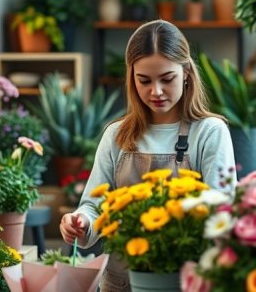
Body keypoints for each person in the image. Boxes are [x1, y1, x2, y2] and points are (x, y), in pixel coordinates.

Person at [59, 19, 236, 291]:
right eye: (144, 80)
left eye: (167, 79)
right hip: (121, 283)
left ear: (187, 72)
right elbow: (95, 205)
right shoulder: (117, 135)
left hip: (187, 282)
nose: (156, 91)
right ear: (131, 78)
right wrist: (81, 222)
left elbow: (222, 213)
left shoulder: (210, 132)